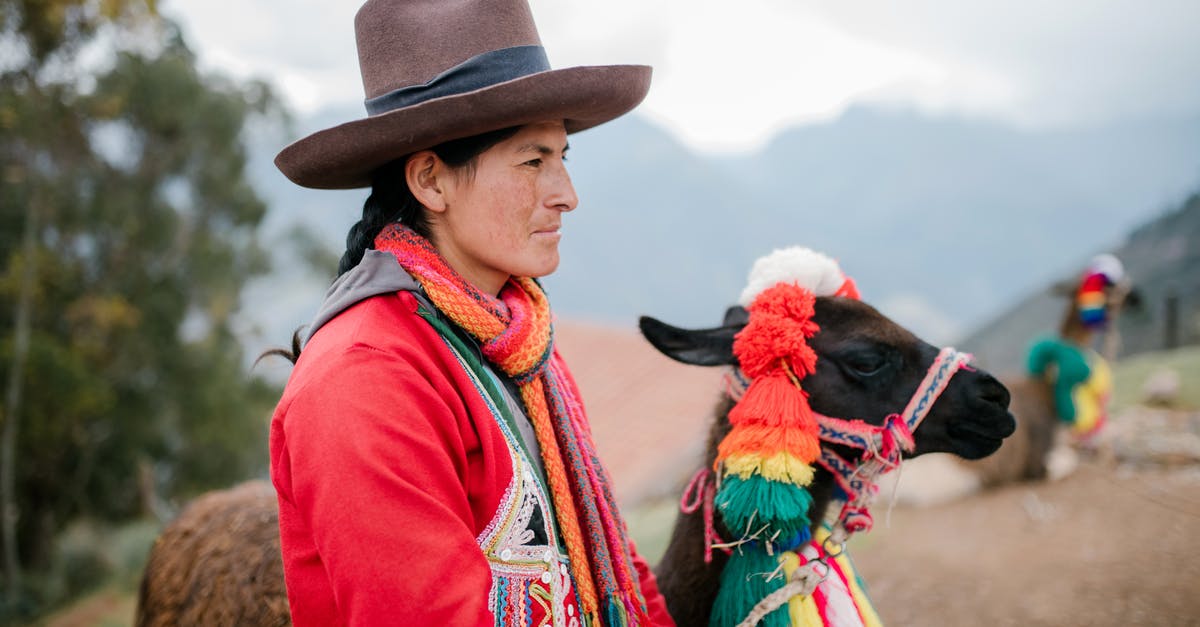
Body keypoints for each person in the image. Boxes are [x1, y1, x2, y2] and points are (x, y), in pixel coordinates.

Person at [268, 1, 674, 625]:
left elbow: (610, 562)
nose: (566, 194)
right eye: (533, 161)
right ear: (431, 181)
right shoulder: (363, 381)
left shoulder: (517, 338)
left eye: (564, 157)